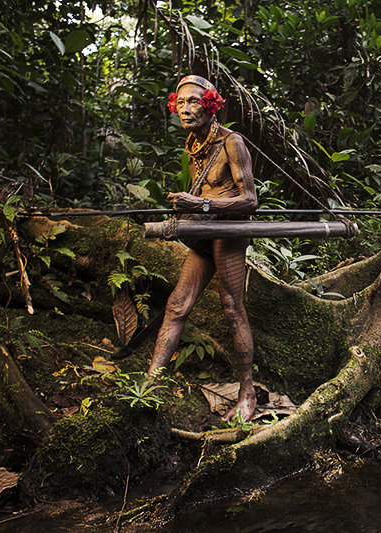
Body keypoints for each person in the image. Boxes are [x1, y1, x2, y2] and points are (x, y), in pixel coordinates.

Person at [148, 75, 258, 422]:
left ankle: (247, 394)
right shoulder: (193, 144)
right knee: (177, 305)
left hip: (228, 233)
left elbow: (250, 200)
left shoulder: (232, 142)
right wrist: (190, 206)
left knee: (231, 307)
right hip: (203, 233)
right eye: (180, 103)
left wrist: (202, 206)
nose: (185, 109)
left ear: (210, 105)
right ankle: (149, 384)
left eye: (194, 102)